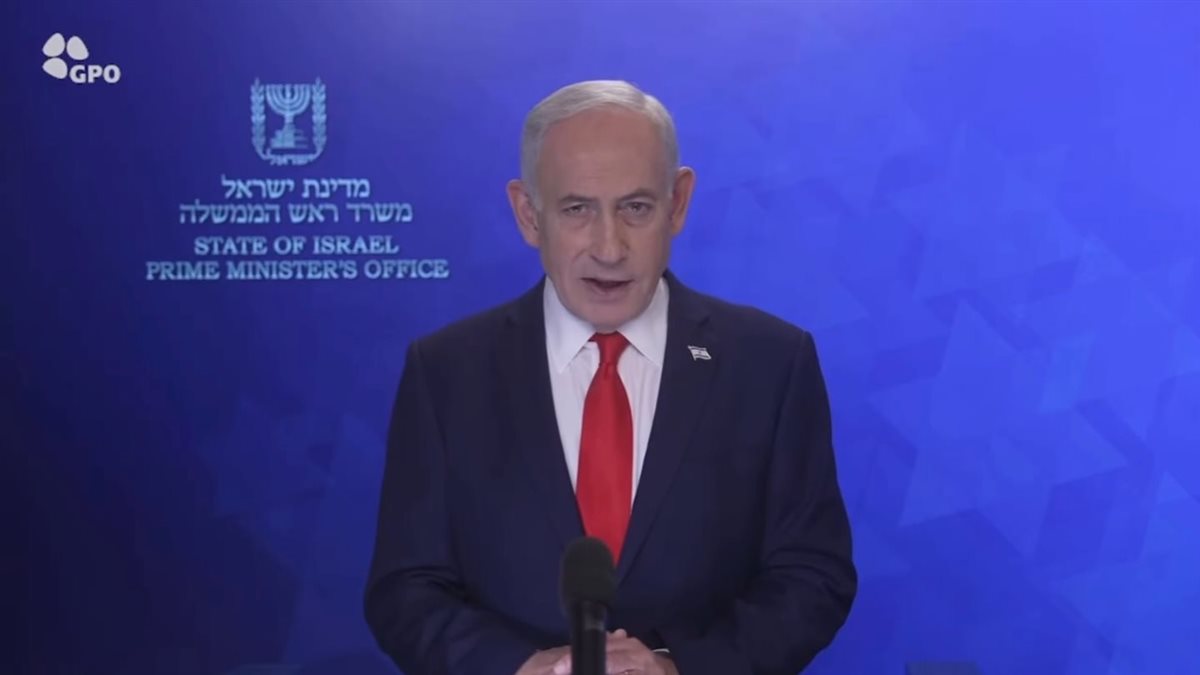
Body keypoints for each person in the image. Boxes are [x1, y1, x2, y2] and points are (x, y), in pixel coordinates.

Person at [364, 80, 856, 675]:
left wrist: (677, 667)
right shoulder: (446, 372)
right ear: (528, 214)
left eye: (636, 208)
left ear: (678, 203)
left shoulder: (770, 362)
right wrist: (520, 668)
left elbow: (811, 575)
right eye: (577, 209)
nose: (609, 247)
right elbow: (406, 588)